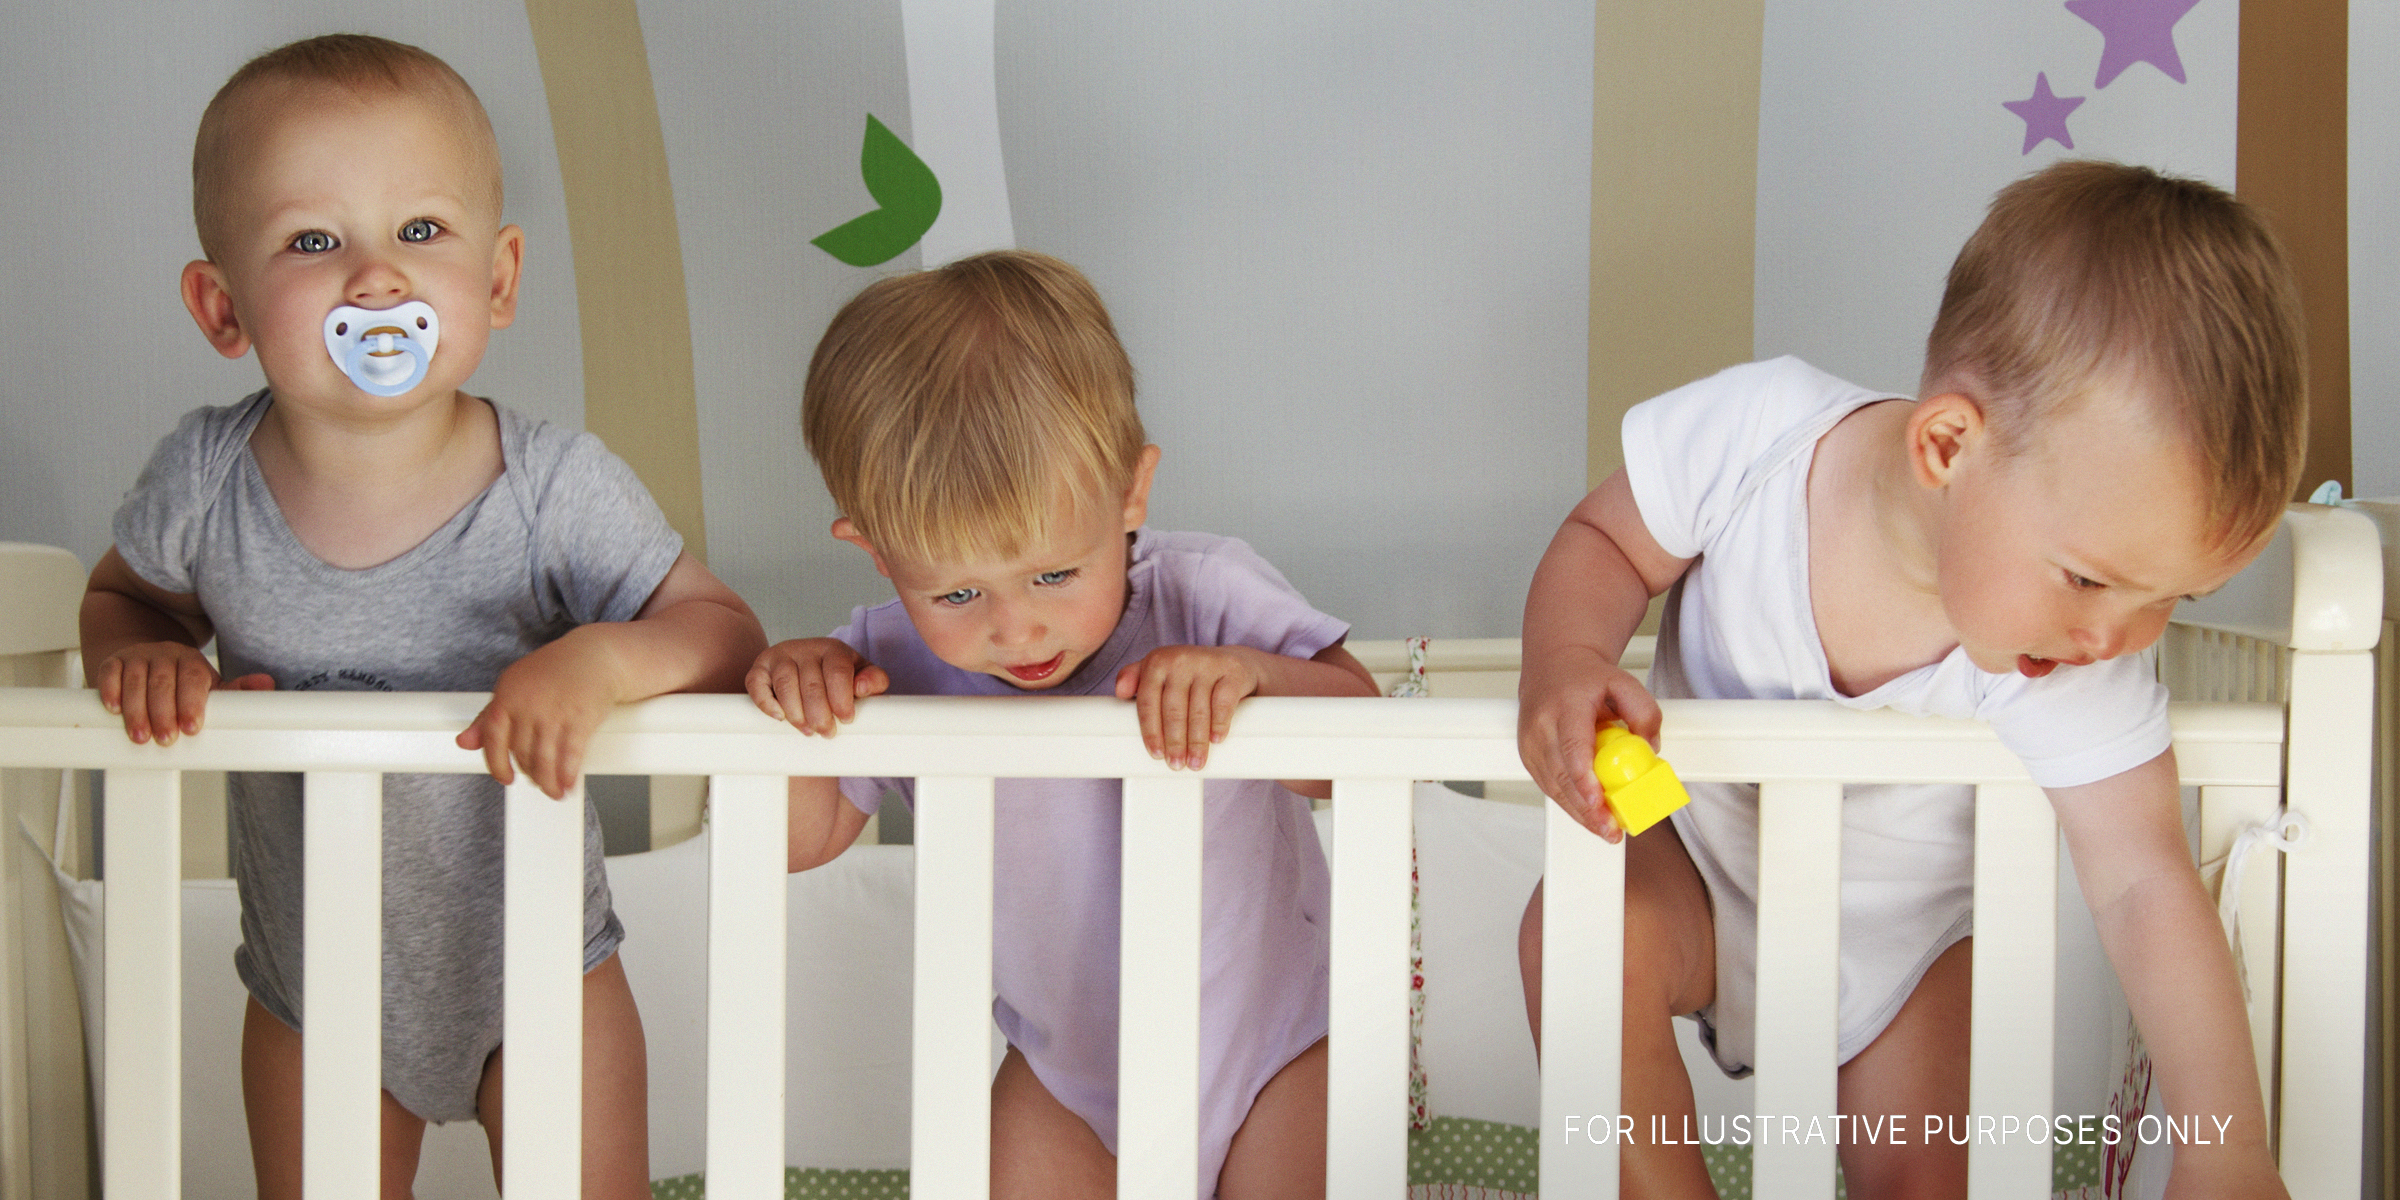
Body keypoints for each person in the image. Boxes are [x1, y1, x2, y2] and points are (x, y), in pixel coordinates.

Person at [1514, 161, 2304, 1198]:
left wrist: (2225, 1151)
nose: (2118, 634)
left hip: (1904, 955)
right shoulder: (1757, 439)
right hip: (1699, 875)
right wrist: (1567, 661)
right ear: (1947, 445)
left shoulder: (2071, 661)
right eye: (2089, 578)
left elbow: (2145, 883)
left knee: (1925, 1175)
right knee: (1579, 939)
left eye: (2171, 601)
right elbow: (1605, 545)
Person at [78, 34, 766, 1200]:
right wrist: (141, 655)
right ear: (221, 305)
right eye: (312, 242)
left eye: (420, 231)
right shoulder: (204, 481)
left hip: (546, 970)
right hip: (309, 987)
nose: (377, 280)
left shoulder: (553, 489)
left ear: (497, 279)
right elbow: (121, 595)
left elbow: (725, 634)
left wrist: (599, 661)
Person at [747, 249, 1375, 1199]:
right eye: (956, 590)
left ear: (1131, 493)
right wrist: (797, 709)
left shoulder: (1205, 600)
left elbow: (1361, 746)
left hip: (1276, 1052)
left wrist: (1254, 679)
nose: (1015, 627)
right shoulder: (889, 668)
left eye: (1054, 575)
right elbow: (798, 841)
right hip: (1067, 1082)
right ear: (874, 550)